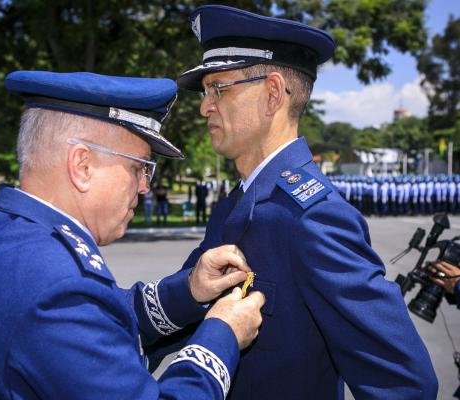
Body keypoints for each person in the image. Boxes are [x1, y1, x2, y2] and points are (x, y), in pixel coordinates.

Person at [0, 71, 265, 399]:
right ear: (82, 166)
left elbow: (98, 325)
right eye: (139, 167)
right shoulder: (58, 290)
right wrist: (222, 337)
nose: (144, 187)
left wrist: (189, 291)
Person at [170, 5, 437, 399]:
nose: (204, 105)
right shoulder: (238, 202)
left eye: (218, 89)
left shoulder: (314, 217)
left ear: (273, 93)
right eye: (206, 91)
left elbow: (404, 382)